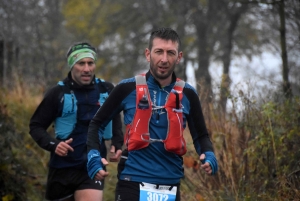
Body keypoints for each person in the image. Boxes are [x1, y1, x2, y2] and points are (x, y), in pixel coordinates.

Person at [86, 27, 218, 201]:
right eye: (159, 52)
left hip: (170, 184)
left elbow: (201, 136)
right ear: (148, 55)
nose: (164, 59)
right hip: (132, 181)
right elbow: (97, 124)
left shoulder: (188, 94)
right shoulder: (126, 88)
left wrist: (209, 154)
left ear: (179, 57)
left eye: (170, 53)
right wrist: (94, 156)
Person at [29, 42, 123, 201]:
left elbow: (115, 115)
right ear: (72, 65)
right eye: (81, 63)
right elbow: (36, 126)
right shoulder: (57, 93)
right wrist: (53, 144)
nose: (87, 69)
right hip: (62, 169)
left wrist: (117, 141)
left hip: (92, 166)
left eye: (90, 63)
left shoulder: (106, 90)